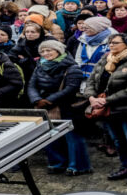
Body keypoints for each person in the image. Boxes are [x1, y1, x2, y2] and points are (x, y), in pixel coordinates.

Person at [84, 33, 127, 184]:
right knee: (119, 141)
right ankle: (126, 167)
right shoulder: (105, 58)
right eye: (110, 42)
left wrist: (105, 101)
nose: (111, 45)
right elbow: (91, 81)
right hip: (110, 110)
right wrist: (91, 98)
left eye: (115, 43)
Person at [28, 39, 90, 175]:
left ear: (58, 51)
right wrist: (37, 99)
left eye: (49, 50)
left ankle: (77, 166)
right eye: (42, 51)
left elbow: (71, 88)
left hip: (67, 105)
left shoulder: (71, 67)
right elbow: (32, 85)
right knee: (50, 135)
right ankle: (57, 163)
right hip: (44, 105)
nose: (45, 53)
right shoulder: (40, 65)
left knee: (72, 137)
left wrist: (49, 100)